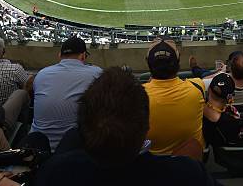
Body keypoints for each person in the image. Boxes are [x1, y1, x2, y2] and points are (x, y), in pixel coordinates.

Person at [34, 67, 219, 185]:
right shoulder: (186, 174)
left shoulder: (55, 172)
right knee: (193, 146)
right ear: (147, 127)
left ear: (83, 125)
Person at [31, 36, 102, 151]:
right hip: (75, 149)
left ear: (59, 55)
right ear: (83, 56)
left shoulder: (42, 74)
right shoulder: (96, 73)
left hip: (36, 149)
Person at [143, 38, 205, 158]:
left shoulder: (137, 96)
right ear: (178, 61)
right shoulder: (197, 87)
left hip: (151, 167)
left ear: (148, 62)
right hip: (191, 166)